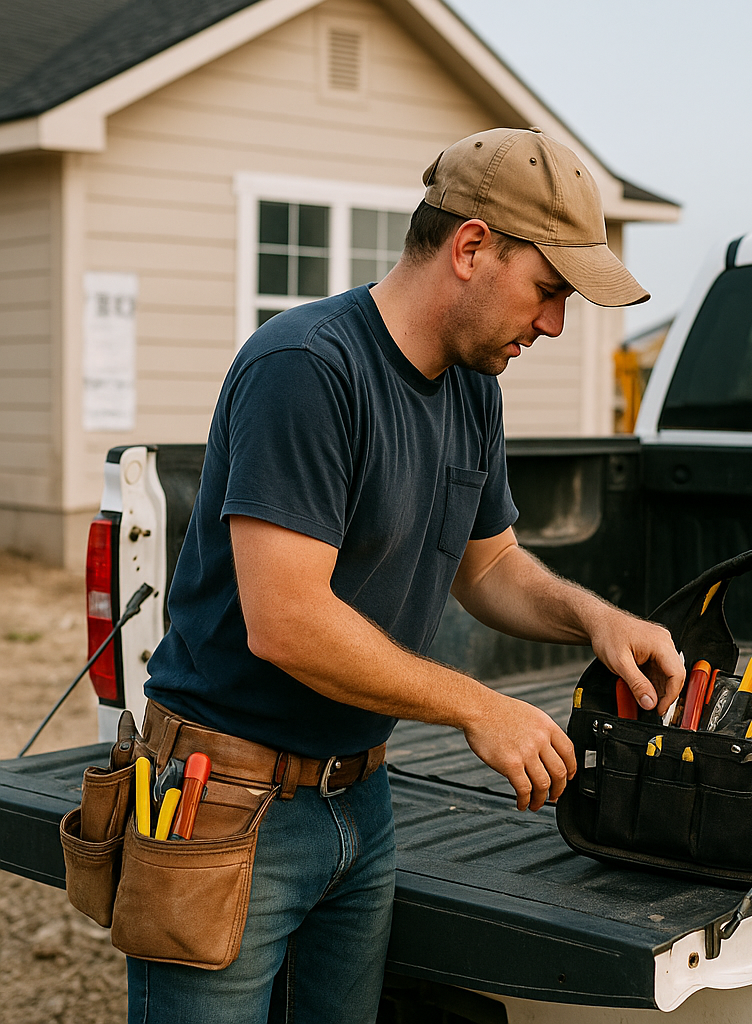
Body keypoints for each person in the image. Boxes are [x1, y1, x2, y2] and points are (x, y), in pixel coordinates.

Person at [130, 126, 684, 1023]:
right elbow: (286, 620)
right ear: (471, 247)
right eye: (547, 290)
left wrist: (596, 620)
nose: (552, 324)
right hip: (226, 803)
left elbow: (490, 564)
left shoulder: (473, 386)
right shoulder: (306, 367)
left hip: (361, 796)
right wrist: (477, 704)